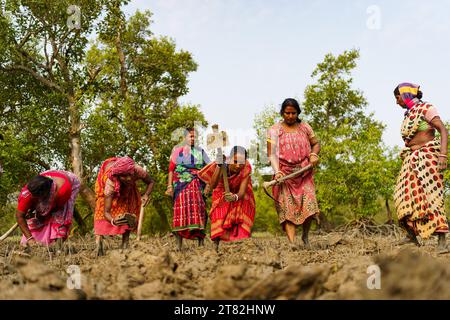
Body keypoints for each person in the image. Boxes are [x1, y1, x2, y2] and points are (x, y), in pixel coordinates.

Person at [393, 83, 448, 252]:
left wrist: (443, 155)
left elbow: (443, 130)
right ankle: (411, 236)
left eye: (397, 97)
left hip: (429, 156)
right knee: (403, 196)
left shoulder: (426, 108)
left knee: (432, 198)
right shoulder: (408, 114)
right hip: (411, 159)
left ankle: (441, 242)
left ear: (406, 95)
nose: (396, 102)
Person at [267, 98, 320, 248]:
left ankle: (305, 236)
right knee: (287, 210)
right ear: (282, 113)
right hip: (284, 176)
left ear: (298, 113)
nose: (290, 116)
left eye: (293, 113)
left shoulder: (305, 127)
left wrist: (313, 155)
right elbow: (271, 154)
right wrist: (277, 172)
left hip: (304, 173)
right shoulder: (274, 130)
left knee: (309, 206)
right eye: (287, 113)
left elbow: (315, 144)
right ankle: (292, 243)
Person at [198, 146, 255, 251]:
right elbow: (213, 185)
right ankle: (216, 246)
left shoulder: (246, 167)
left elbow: (242, 192)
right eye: (236, 161)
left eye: (241, 162)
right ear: (230, 158)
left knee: (242, 209)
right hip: (221, 188)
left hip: (240, 192)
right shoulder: (222, 163)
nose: (238, 166)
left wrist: (235, 197)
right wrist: (219, 166)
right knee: (220, 210)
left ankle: (241, 243)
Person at [94, 156, 154, 255]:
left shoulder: (137, 170)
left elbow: (151, 182)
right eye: (124, 176)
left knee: (127, 213)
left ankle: (125, 246)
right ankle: (99, 244)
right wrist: (113, 221)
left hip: (128, 189)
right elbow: (106, 212)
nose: (129, 178)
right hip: (110, 185)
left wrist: (146, 194)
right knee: (100, 210)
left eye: (130, 174)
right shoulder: (110, 183)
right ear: (118, 176)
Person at [166, 128, 210, 250]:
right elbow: (171, 169)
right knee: (179, 211)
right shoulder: (177, 150)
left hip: (197, 182)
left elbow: (209, 169)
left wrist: (208, 185)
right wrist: (169, 186)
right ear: (185, 138)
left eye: (195, 137)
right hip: (179, 183)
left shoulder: (201, 152)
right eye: (190, 136)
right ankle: (178, 244)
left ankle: (201, 243)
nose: (193, 139)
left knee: (199, 210)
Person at [15, 170, 80, 248]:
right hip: (46, 183)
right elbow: (19, 216)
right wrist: (30, 238)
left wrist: (39, 214)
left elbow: (54, 209)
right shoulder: (27, 194)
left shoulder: (62, 191)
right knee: (36, 218)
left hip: (70, 183)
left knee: (59, 216)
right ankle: (33, 242)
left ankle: (55, 246)